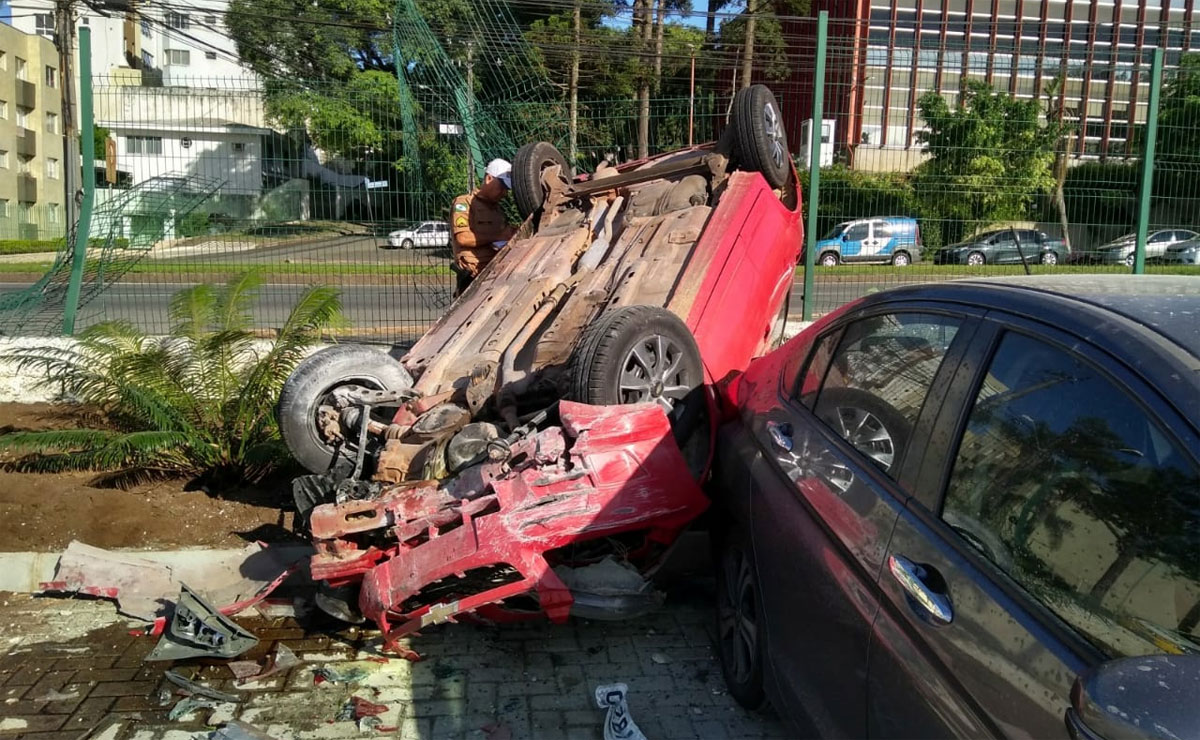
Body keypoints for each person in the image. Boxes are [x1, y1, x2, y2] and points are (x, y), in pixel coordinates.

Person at [449, 158, 518, 284]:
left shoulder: (498, 210)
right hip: (472, 276)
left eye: (507, 189)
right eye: (502, 187)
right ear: (489, 179)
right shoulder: (464, 203)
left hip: (495, 274)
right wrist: (499, 236)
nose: (504, 193)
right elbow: (462, 238)